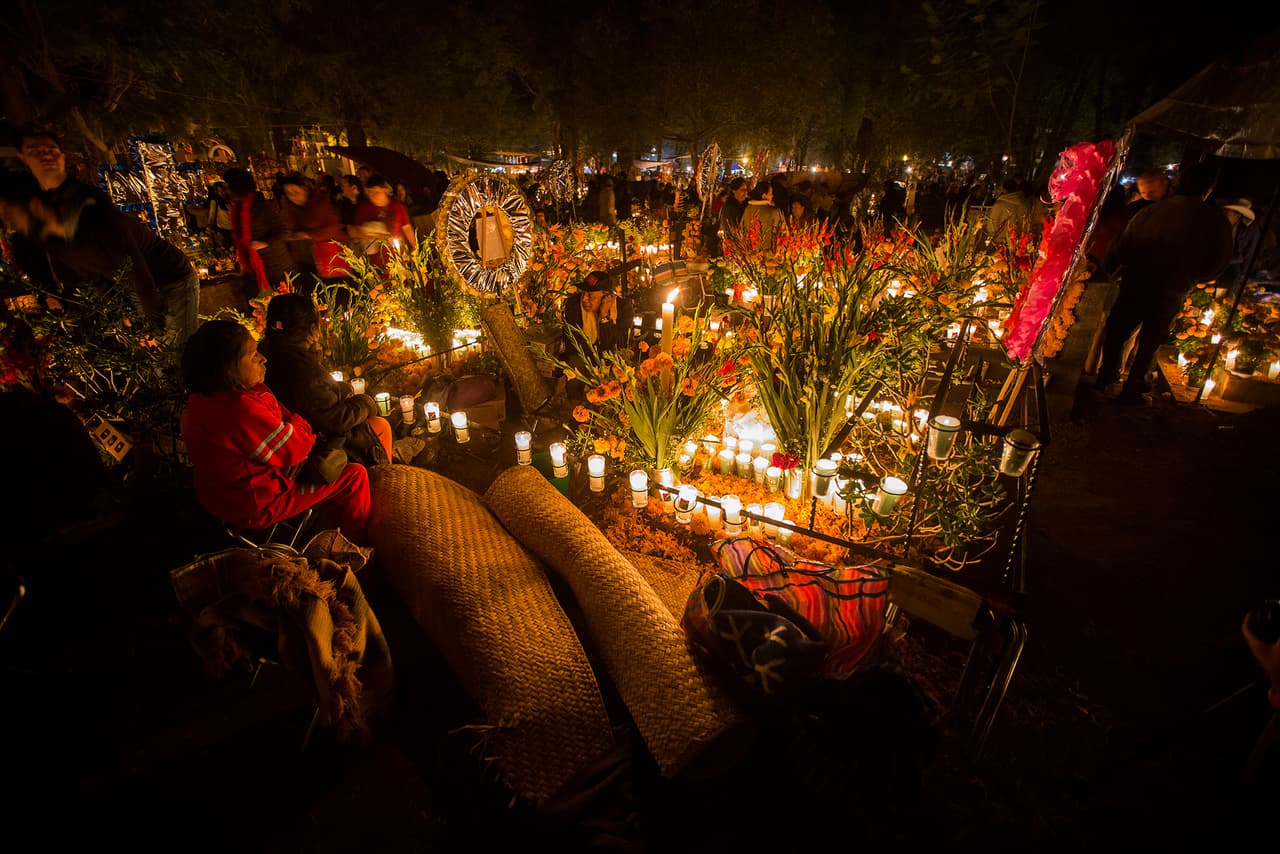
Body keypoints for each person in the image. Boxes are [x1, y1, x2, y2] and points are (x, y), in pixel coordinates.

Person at [180, 318, 372, 546]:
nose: (263, 359)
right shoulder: (241, 409)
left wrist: (292, 434)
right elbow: (298, 444)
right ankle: (356, 549)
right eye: (253, 356)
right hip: (255, 504)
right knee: (354, 476)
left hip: (220, 498)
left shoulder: (199, 402)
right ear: (228, 368)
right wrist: (298, 430)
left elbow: (288, 433)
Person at [0, 170, 199, 345]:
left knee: (176, 351)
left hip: (171, 280)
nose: (9, 226)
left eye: (10, 215)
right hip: (135, 288)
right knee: (157, 360)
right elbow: (96, 279)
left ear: (35, 206)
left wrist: (152, 328)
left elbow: (138, 273)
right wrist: (128, 318)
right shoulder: (54, 242)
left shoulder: (95, 222)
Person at [1095, 165, 1233, 403]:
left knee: (1118, 331)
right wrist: (1193, 277)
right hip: (1172, 287)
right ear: (1208, 188)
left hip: (1137, 281)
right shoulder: (1215, 222)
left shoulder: (1151, 212)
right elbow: (1218, 261)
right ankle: (1134, 385)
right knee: (1151, 339)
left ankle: (1107, 376)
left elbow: (1123, 247)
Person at [259, 293, 392, 467]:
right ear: (313, 329)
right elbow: (335, 420)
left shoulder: (265, 351)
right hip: (319, 446)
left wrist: (338, 388)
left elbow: (313, 399)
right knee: (381, 425)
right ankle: (385, 479)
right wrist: (366, 403)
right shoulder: (303, 370)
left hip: (290, 436)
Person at [223, 166, 296, 302]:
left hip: (275, 266)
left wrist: (264, 243)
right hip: (254, 268)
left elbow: (283, 231)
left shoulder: (263, 206)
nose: (226, 190)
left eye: (228, 186)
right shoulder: (238, 209)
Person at [559, 268, 633, 400]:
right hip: (583, 354)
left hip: (611, 356)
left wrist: (604, 317)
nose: (585, 299)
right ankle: (575, 406)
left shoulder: (623, 308)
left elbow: (620, 343)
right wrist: (595, 359)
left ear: (606, 298)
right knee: (576, 368)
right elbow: (574, 341)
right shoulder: (574, 305)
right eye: (584, 293)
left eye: (591, 296)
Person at [278, 173, 349, 295]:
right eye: (288, 193)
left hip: (328, 256)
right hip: (305, 259)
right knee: (314, 293)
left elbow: (333, 227)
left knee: (335, 292)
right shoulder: (289, 208)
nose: (293, 196)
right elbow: (286, 227)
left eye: (295, 191)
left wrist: (308, 234)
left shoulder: (320, 202)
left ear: (304, 188)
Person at [350, 174, 415, 269]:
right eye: (369, 192)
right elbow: (353, 232)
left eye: (376, 191)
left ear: (385, 190)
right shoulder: (363, 209)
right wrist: (378, 236)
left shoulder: (397, 206)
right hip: (375, 262)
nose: (372, 195)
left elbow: (407, 228)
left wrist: (414, 248)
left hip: (398, 259)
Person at [737, 181, 786, 252]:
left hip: (750, 252)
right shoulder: (774, 211)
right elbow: (783, 232)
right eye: (770, 194)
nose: (772, 196)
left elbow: (741, 229)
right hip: (770, 253)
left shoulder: (748, 209)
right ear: (764, 195)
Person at [206, 181, 234, 250]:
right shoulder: (216, 201)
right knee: (228, 248)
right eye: (218, 191)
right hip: (223, 229)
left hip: (235, 228)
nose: (221, 193)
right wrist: (209, 226)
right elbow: (212, 214)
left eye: (222, 190)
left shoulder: (232, 199)